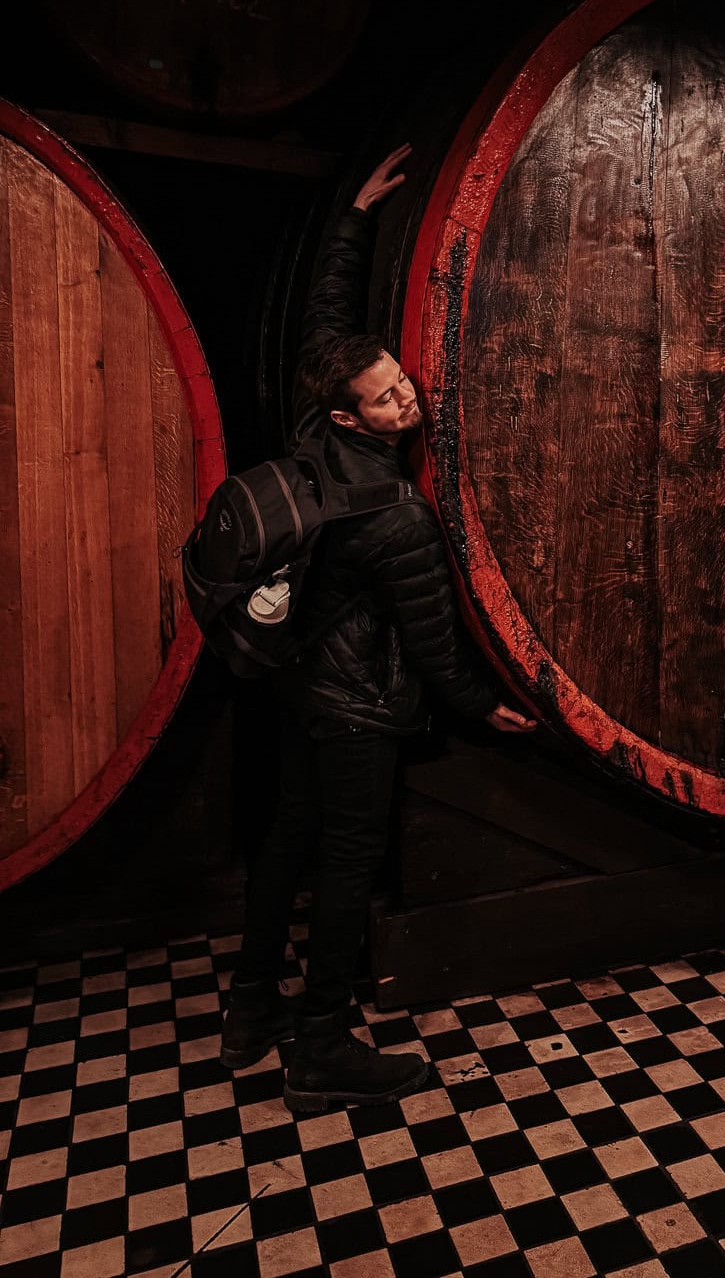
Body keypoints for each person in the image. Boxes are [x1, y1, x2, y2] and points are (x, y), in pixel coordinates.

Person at [219, 145, 534, 1114]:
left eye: (404, 382)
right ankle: (320, 1040)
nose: (410, 399)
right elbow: (434, 646)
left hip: (304, 683)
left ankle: (250, 1005)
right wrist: (487, 706)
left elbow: (324, 323)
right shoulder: (390, 516)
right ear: (351, 420)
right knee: (348, 858)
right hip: (359, 706)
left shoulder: (315, 437)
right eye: (390, 397)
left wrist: (351, 221)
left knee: (288, 841)